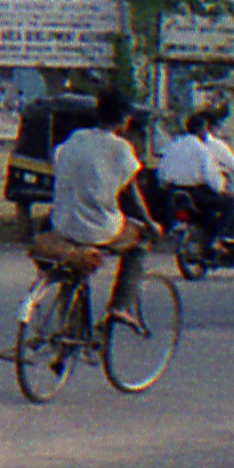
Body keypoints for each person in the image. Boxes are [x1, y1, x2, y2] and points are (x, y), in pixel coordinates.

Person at [45, 87, 155, 312]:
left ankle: (69, 314)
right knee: (140, 241)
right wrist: (151, 223)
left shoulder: (75, 139)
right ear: (125, 118)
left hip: (62, 223)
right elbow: (131, 195)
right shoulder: (121, 148)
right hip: (98, 228)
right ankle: (120, 306)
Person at [155, 110, 230, 247]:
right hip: (194, 192)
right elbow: (210, 176)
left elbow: (161, 173)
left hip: (170, 191)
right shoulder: (201, 149)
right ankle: (213, 239)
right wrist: (222, 190)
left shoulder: (173, 145)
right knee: (230, 204)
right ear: (202, 129)